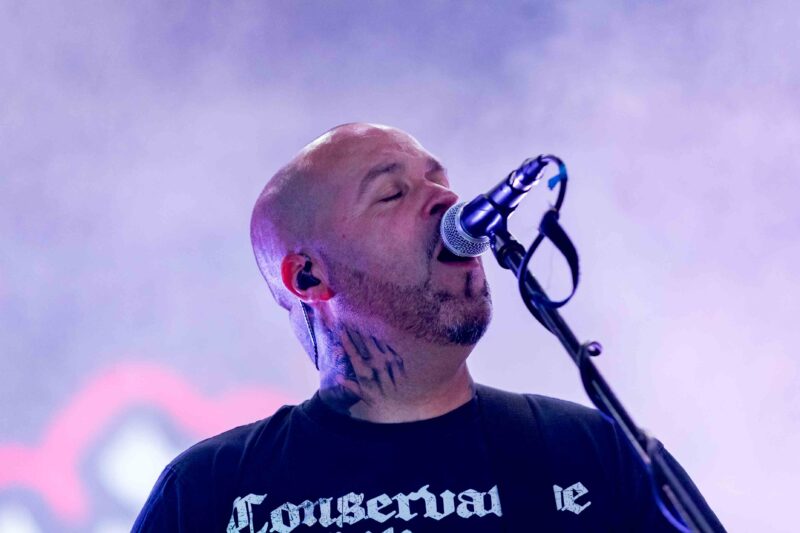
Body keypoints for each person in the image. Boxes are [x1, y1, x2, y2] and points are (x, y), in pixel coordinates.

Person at [133, 123, 723, 532]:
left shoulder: (591, 456)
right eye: (392, 193)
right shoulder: (211, 494)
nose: (446, 200)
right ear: (309, 276)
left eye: (439, 180)